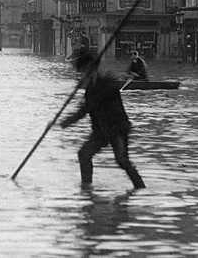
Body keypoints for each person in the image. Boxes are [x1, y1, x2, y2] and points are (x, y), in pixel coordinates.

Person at [59, 50, 145, 189]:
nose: (79, 76)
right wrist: (62, 124)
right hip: (101, 131)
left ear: (89, 70)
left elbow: (92, 105)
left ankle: (140, 189)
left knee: (122, 161)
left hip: (117, 129)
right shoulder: (90, 88)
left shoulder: (104, 83)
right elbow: (82, 112)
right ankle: (87, 188)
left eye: (82, 72)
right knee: (84, 154)